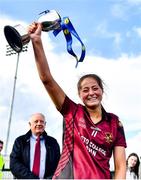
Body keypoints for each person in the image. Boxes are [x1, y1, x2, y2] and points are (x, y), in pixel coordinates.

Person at [28, 22, 127, 179]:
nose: (91, 93)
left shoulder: (115, 123)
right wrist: (37, 41)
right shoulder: (72, 111)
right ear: (80, 94)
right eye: (85, 90)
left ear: (102, 91)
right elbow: (46, 79)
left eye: (95, 88)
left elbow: (121, 166)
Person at [10, 113, 60, 179]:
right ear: (30, 124)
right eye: (36, 121)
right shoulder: (20, 141)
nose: (39, 124)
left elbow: (59, 165)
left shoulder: (53, 142)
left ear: (45, 124)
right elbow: (14, 164)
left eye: (42, 122)